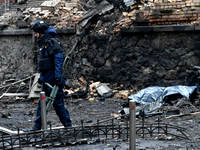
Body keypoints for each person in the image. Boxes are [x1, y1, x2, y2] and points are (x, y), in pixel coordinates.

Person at [26, 20, 71, 131]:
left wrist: (58, 77)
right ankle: (37, 127)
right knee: (41, 104)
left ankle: (68, 127)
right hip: (47, 79)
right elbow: (44, 63)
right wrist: (42, 77)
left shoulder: (52, 42)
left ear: (42, 32)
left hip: (53, 80)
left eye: (36, 33)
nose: (35, 35)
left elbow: (58, 60)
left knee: (58, 105)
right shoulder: (45, 43)